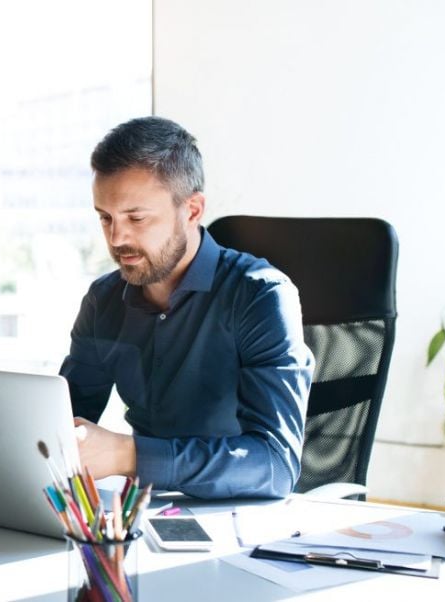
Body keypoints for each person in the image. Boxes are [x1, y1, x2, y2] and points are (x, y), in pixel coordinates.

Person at [61, 116, 314, 499]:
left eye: (136, 217)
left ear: (192, 210)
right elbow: (61, 423)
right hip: (144, 513)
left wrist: (128, 454)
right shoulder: (103, 301)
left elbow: (275, 465)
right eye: (105, 217)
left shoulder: (261, 296)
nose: (117, 237)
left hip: (242, 517)